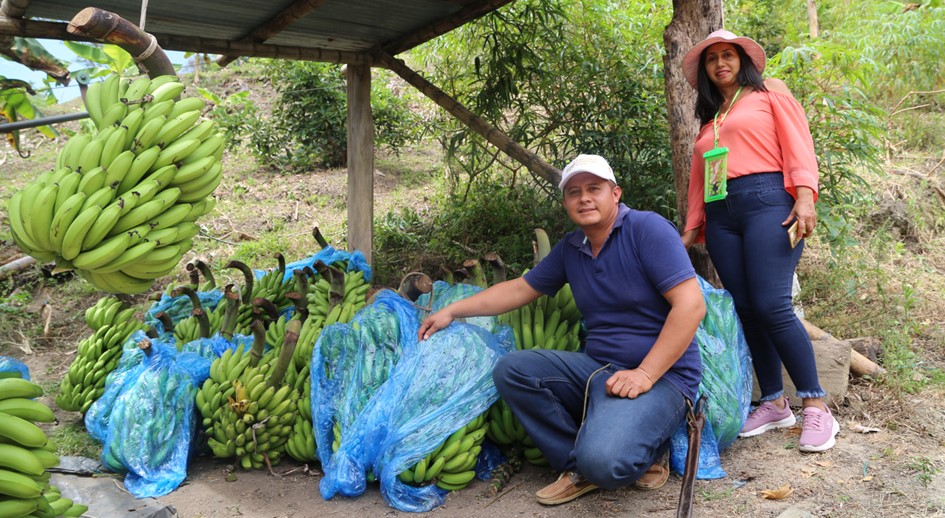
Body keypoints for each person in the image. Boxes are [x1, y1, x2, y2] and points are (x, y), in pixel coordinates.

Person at [418, 154, 706, 505]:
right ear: (566, 203)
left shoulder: (647, 230)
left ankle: (632, 450)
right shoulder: (573, 248)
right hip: (598, 368)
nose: (584, 198)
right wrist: (451, 310)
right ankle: (578, 464)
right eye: (574, 192)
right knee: (513, 369)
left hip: (663, 377)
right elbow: (519, 290)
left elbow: (691, 305)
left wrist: (645, 374)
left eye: (594, 188)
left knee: (606, 462)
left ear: (615, 194)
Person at [680, 30, 840, 452]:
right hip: (721, 217)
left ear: (742, 60)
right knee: (747, 309)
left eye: (727, 55)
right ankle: (773, 401)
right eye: (712, 58)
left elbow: (798, 144)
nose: (720, 63)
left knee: (772, 304)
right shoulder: (711, 119)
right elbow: (700, 180)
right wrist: (691, 227)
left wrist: (805, 195)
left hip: (768, 202)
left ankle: (817, 406)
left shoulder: (770, 92)